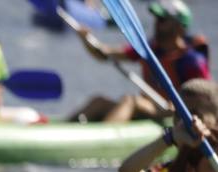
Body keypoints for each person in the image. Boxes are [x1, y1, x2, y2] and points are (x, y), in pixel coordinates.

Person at [69, 1, 209, 123]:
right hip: (148, 107)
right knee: (98, 102)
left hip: (172, 113)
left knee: (130, 101)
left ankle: (102, 139)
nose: (156, 24)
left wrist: (180, 106)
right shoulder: (149, 49)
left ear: (179, 27)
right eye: (156, 19)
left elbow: (205, 98)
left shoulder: (192, 61)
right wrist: (85, 39)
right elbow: (104, 54)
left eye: (162, 20)